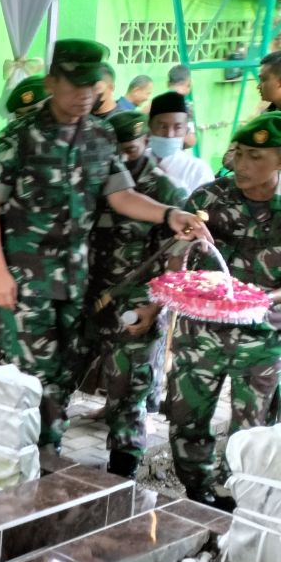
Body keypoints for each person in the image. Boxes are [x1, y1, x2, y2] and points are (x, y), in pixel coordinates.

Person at [0, 39, 208, 455]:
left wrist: (170, 214)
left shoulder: (102, 135)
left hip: (77, 280)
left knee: (64, 373)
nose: (85, 94)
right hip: (26, 281)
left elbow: (122, 196)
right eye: (75, 84)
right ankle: (29, 454)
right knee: (35, 374)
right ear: (52, 82)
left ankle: (48, 457)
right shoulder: (20, 136)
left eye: (92, 85)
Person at [167, 112, 281, 510]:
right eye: (240, 153)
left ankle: (243, 495)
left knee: (253, 427)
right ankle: (198, 494)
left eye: (256, 157)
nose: (243, 165)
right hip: (201, 333)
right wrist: (181, 248)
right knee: (186, 418)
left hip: (264, 335)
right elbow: (173, 258)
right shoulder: (208, 198)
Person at [85, 111, 187, 480]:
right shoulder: (94, 180)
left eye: (129, 151)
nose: (122, 161)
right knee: (61, 381)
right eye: (115, 152)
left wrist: (155, 307)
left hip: (136, 304)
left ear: (144, 144)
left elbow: (176, 263)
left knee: (128, 391)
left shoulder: (164, 192)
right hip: (87, 298)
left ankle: (122, 472)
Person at [148, 91, 214, 195]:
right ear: (150, 127)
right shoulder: (138, 159)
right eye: (163, 126)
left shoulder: (198, 170)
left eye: (177, 127)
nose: (169, 134)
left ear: (186, 130)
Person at [167, 64, 198, 150]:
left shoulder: (153, 104)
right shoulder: (187, 107)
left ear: (168, 84)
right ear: (189, 84)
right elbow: (191, 141)